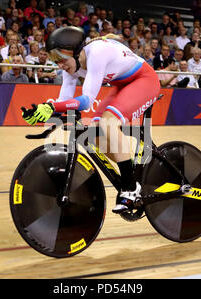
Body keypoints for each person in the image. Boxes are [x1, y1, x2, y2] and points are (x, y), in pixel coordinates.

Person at [21, 26, 161, 214]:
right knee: (95, 134)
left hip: (144, 80)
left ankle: (130, 188)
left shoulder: (97, 53)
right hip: (123, 85)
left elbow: (86, 101)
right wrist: (43, 113)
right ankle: (131, 169)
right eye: (56, 61)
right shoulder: (72, 67)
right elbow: (64, 102)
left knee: (108, 123)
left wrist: (53, 107)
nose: (59, 66)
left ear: (76, 52)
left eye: (61, 60)